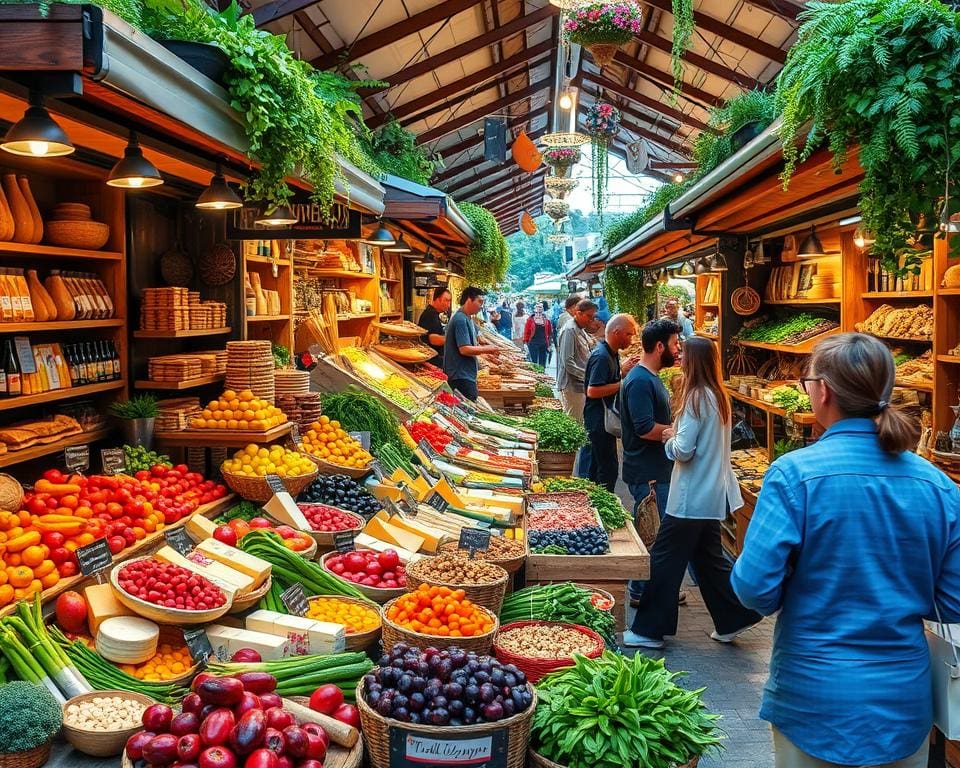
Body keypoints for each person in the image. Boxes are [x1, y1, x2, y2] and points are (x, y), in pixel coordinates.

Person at [731, 333, 960, 768]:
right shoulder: (938, 487)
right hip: (902, 702)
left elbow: (753, 590)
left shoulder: (794, 475)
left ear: (823, 391)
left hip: (812, 694)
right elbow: (953, 600)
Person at [623, 336, 762, 649]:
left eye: (684, 354)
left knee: (664, 560)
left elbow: (683, 451)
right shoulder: (717, 395)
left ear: (694, 361)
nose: (679, 358)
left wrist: (669, 437)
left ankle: (649, 630)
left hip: (691, 497)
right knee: (708, 560)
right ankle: (735, 617)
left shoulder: (697, 398)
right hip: (712, 493)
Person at [620, 318, 681, 605]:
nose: (678, 349)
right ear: (660, 346)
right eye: (674, 344)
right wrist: (677, 435)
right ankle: (642, 593)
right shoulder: (641, 381)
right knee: (651, 533)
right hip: (648, 472)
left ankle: (646, 590)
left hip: (653, 469)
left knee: (654, 532)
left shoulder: (648, 377)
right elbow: (644, 428)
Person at [584, 313, 639, 491]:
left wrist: (623, 371)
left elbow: (607, 380)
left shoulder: (611, 353)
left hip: (602, 417)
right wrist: (623, 384)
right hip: (599, 419)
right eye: (629, 334)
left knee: (597, 465)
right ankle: (604, 506)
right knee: (607, 468)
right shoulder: (601, 356)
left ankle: (593, 502)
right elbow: (592, 391)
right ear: (616, 332)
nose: (632, 339)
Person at [442, 287, 501, 401]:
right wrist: (488, 349)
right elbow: (464, 349)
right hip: (460, 376)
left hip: (464, 375)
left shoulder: (467, 318)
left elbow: (471, 344)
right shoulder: (460, 319)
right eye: (480, 301)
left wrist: (486, 348)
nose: (481, 306)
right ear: (469, 299)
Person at [556, 299, 597, 424]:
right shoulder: (569, 330)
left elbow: (590, 345)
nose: (591, 320)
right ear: (578, 313)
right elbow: (568, 362)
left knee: (580, 421)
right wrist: (587, 377)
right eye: (588, 316)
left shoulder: (580, 329)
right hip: (572, 386)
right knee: (574, 423)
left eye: (593, 316)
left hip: (580, 385)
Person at [417, 286, 451, 368]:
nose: (448, 305)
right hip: (432, 361)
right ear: (437, 299)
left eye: (449, 301)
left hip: (436, 358)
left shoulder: (435, 314)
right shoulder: (430, 314)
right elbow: (433, 339)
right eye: (446, 300)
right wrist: (454, 339)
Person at [523, 302, 552, 368]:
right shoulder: (530, 319)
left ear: (543, 309)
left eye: (540, 307)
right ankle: (535, 375)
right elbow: (526, 331)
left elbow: (550, 333)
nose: (539, 308)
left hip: (543, 343)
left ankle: (542, 375)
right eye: (537, 307)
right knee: (534, 362)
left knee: (542, 363)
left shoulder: (547, 320)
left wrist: (549, 344)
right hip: (533, 343)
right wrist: (525, 342)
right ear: (534, 309)